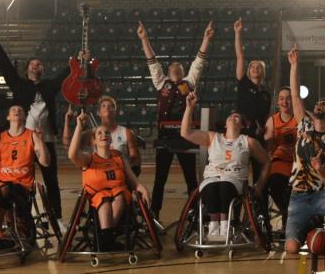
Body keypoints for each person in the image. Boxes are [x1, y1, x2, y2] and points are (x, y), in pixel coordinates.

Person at [0, 22, 72, 222]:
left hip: (45, 140)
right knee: (17, 181)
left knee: (52, 181)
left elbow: (64, 76)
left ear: (43, 69)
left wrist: (77, 61)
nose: (36, 66)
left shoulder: (49, 86)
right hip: (23, 141)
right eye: (33, 64)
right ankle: (15, 219)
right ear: (27, 70)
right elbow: (6, 66)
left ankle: (56, 219)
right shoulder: (19, 85)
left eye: (39, 64)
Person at [137, 19, 214, 218]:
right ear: (168, 70)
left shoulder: (189, 82)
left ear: (182, 71)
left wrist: (206, 38)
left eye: (179, 67)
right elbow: (152, 62)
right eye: (172, 66)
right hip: (165, 135)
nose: (175, 68)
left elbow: (199, 61)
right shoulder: (160, 82)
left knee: (190, 176)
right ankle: (154, 213)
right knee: (160, 178)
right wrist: (144, 39)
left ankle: (195, 213)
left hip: (185, 135)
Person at [281, 45, 325, 255]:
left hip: (321, 194)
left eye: (324, 105)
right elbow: (295, 94)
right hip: (298, 196)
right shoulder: (304, 125)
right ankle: (307, 231)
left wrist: (319, 169)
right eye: (318, 104)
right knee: (291, 248)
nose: (319, 105)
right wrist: (294, 65)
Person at [181, 92, 271, 240]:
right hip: (212, 176)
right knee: (210, 187)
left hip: (234, 178)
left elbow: (267, 162)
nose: (232, 117)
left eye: (237, 117)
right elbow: (185, 133)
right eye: (230, 116)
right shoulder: (213, 137)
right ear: (225, 123)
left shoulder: (248, 141)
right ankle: (213, 226)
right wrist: (189, 108)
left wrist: (259, 185)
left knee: (224, 186)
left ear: (242, 125)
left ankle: (224, 226)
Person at [68, 112, 150, 251]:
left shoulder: (119, 158)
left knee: (119, 195)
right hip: (98, 198)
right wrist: (79, 127)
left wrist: (144, 190)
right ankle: (108, 238)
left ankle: (106, 238)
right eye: (99, 133)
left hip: (120, 196)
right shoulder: (89, 159)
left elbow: (134, 181)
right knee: (104, 199)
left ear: (111, 139)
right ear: (93, 141)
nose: (103, 135)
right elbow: (72, 155)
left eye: (106, 133)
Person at [0, 104, 51, 235]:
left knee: (7, 192)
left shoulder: (32, 136)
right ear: (8, 117)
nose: (17, 111)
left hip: (23, 185)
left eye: (20, 110)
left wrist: (41, 142)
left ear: (24, 116)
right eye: (13, 110)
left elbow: (45, 163)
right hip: (3, 184)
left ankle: (11, 226)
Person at [63, 96, 141, 178]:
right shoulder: (92, 133)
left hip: (121, 176)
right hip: (98, 176)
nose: (107, 107)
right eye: (103, 106)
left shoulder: (126, 132)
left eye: (110, 106)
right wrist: (67, 121)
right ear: (98, 112)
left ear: (115, 111)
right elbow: (68, 145)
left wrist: (130, 180)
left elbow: (136, 160)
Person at [233, 17, 271, 182]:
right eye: (252, 66)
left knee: (259, 171)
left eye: (258, 67)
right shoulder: (244, 84)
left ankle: (258, 204)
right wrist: (238, 33)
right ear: (249, 71)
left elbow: (265, 117)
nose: (255, 68)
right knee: (239, 172)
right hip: (242, 133)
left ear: (262, 72)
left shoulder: (266, 93)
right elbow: (240, 56)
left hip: (258, 136)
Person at [258, 86, 297, 228]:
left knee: (296, 189)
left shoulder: (301, 117)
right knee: (272, 186)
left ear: (294, 101)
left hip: (298, 163)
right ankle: (279, 216)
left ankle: (293, 217)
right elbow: (268, 148)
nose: (285, 101)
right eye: (281, 98)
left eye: (288, 98)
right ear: (277, 102)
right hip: (279, 162)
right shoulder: (272, 121)